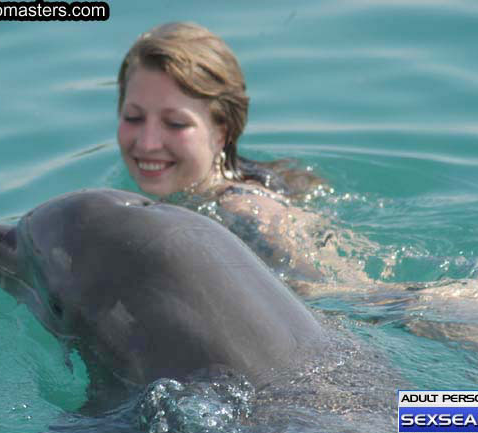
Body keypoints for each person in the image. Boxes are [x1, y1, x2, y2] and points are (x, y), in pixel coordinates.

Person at [116, 22, 372, 296]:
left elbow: (346, 293)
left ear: (221, 132)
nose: (147, 143)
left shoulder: (243, 211)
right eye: (134, 117)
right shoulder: (190, 197)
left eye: (176, 123)